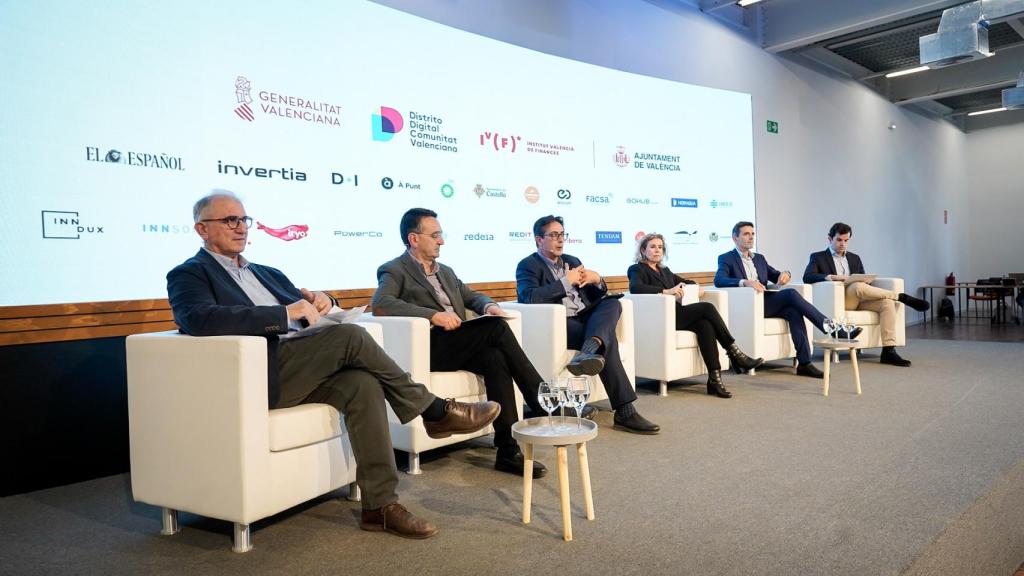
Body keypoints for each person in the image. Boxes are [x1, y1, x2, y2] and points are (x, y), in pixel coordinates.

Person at [167, 191, 500, 540]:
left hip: (302, 364)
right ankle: (433, 409)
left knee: (362, 384)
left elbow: (306, 303)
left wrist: (324, 300)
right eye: (229, 220)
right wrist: (283, 314)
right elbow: (198, 319)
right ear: (202, 229)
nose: (240, 228)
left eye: (244, 220)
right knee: (350, 338)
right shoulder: (189, 274)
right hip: (258, 374)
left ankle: (379, 506)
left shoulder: (266, 273)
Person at [372, 208, 583, 478]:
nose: (441, 241)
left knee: (495, 358)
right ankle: (540, 397)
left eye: (441, 235)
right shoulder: (394, 269)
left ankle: (508, 450)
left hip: (459, 341)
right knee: (495, 329)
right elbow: (381, 304)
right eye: (435, 235)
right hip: (430, 346)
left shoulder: (444, 271)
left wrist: (490, 305)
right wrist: (433, 315)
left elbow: (472, 297)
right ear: (414, 239)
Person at [516, 215, 660, 434]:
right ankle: (625, 411)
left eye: (562, 234)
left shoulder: (572, 260)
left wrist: (597, 280)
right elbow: (528, 297)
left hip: (586, 317)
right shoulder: (528, 265)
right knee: (608, 339)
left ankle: (590, 347)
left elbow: (595, 294)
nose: (560, 240)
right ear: (538, 240)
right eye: (553, 235)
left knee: (612, 304)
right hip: (559, 324)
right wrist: (565, 282)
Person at [714, 221, 861, 379]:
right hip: (749, 304)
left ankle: (804, 363)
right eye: (746, 234)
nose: (751, 237)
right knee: (791, 294)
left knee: (793, 311)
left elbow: (775, 274)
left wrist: (785, 275)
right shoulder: (727, 258)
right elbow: (719, 279)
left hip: (766, 301)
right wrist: (745, 282)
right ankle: (831, 327)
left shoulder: (759, 259)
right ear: (735, 238)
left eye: (753, 234)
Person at [627, 233, 764, 398]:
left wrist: (696, 286)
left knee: (705, 326)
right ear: (643, 250)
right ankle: (735, 353)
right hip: (661, 318)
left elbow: (686, 281)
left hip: (677, 314)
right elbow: (636, 288)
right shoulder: (636, 269)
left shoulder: (665, 270)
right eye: (653, 247)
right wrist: (666, 291)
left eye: (660, 247)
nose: (657, 250)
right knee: (707, 307)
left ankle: (715, 380)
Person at [802, 222, 930, 367]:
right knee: (856, 286)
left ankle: (889, 351)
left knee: (886, 303)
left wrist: (865, 281)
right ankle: (901, 297)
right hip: (840, 301)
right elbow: (808, 276)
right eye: (839, 240)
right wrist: (832, 277)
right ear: (829, 239)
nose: (842, 244)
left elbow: (863, 283)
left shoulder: (854, 258)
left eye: (846, 240)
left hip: (859, 298)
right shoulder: (818, 257)